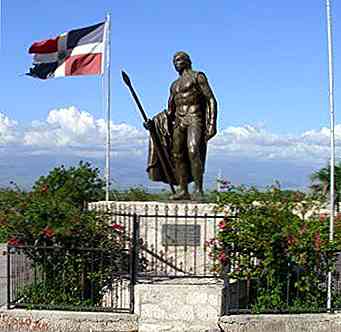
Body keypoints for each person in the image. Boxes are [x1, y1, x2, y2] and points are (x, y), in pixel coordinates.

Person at [166, 51, 218, 200]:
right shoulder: (174, 85)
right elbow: (170, 110)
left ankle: (198, 189)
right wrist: (153, 123)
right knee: (177, 154)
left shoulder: (198, 76)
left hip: (195, 117)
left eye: (179, 60)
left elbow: (211, 100)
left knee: (194, 150)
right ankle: (183, 189)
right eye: (174, 61)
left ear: (187, 61)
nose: (176, 63)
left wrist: (212, 124)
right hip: (179, 120)